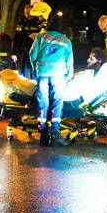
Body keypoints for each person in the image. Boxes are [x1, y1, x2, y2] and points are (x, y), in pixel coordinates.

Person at [29, 15, 73, 146]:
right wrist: (68, 78)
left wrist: (35, 68)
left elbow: (32, 55)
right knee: (57, 101)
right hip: (59, 74)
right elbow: (69, 61)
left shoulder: (41, 37)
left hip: (42, 72)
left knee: (43, 100)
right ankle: (54, 132)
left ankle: (42, 130)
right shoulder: (66, 41)